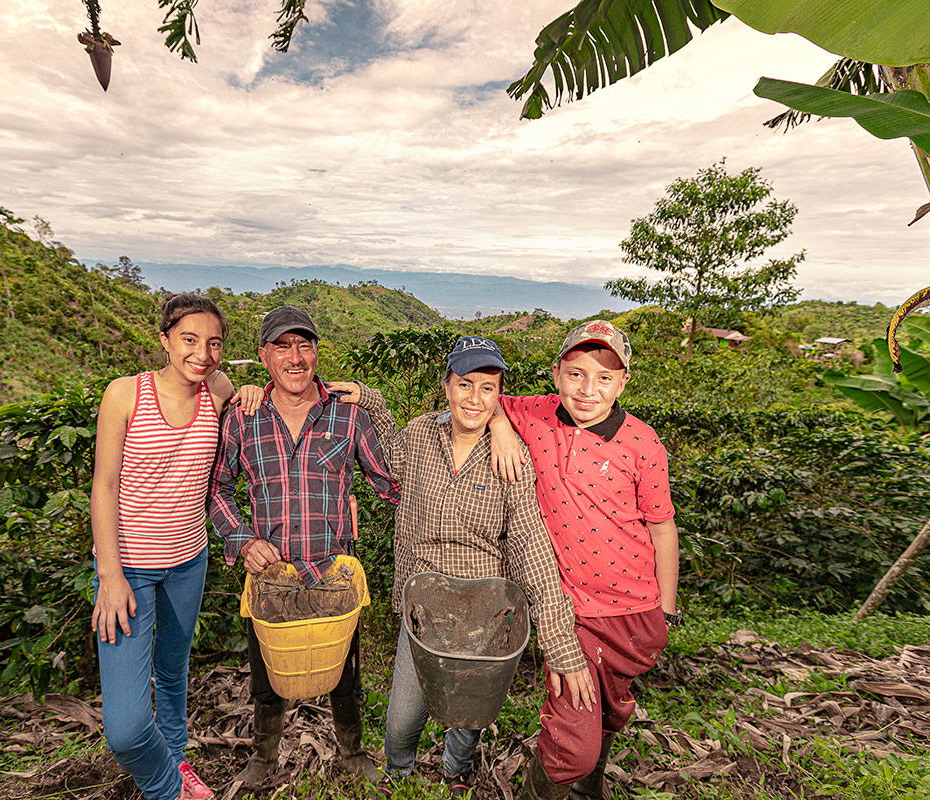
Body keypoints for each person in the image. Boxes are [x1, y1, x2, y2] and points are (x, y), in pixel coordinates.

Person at [329, 335, 592, 800]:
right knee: (404, 713)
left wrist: (560, 643)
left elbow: (532, 547)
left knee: (469, 711)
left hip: (482, 614)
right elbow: (387, 449)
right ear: (446, 385)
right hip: (424, 609)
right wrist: (371, 397)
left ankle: (457, 769)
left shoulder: (510, 458)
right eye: (465, 384)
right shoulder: (420, 437)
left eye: (488, 388)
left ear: (499, 396)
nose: (475, 398)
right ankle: (400, 770)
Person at [208, 305, 401, 786]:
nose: (295, 357)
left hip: (331, 572)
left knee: (344, 676)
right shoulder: (243, 417)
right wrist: (242, 538)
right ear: (264, 356)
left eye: (304, 345)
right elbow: (217, 487)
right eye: (282, 346)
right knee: (267, 677)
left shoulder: (348, 415)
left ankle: (352, 752)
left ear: (316, 352)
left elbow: (391, 483)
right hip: (271, 577)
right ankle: (264, 756)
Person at [489, 321, 680, 800]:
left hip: (636, 611)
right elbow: (481, 400)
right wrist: (499, 428)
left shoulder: (642, 442)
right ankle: (559, 783)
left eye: (604, 378)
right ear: (556, 375)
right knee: (573, 740)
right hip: (571, 613)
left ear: (623, 383)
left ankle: (586, 790)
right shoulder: (536, 415)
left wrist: (667, 611)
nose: (588, 389)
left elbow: (661, 527)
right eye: (576, 374)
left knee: (613, 711)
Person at [90, 293, 237, 800]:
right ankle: (166, 785)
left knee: (173, 672)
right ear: (165, 341)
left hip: (188, 561)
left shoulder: (217, 392)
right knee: (126, 726)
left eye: (214, 343)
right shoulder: (126, 394)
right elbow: (104, 486)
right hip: (128, 568)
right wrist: (109, 576)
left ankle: (177, 763)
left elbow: (241, 396)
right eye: (190, 340)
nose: (202, 353)